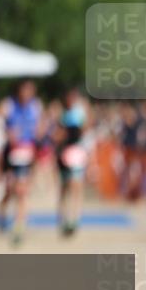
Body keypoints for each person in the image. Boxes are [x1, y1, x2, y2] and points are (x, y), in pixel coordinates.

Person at [0, 80, 43, 246]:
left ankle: (19, 226)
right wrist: (7, 131)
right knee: (10, 189)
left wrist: (39, 134)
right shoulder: (9, 104)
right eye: (25, 90)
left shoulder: (36, 106)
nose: (27, 94)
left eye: (30, 91)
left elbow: (41, 127)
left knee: (22, 190)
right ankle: (2, 215)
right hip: (11, 153)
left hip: (27, 152)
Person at [55, 88, 91, 237]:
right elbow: (57, 136)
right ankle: (63, 218)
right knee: (64, 188)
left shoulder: (80, 113)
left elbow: (86, 128)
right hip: (63, 154)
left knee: (76, 186)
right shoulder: (60, 113)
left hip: (76, 154)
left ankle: (74, 219)